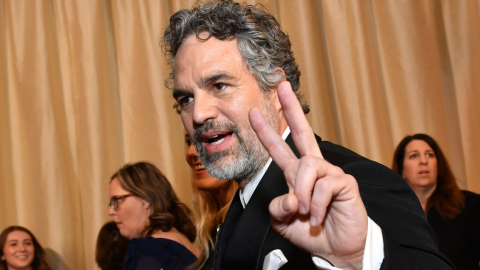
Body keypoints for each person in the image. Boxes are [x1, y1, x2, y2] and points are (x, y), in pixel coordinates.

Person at [161, 1, 454, 269]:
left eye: (219, 85)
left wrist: (362, 256)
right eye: (186, 99)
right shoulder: (238, 208)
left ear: (275, 89)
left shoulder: (352, 184)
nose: (198, 114)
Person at [392, 133, 480, 270]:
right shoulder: (392, 215)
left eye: (429, 155)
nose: (423, 161)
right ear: (402, 170)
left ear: (438, 165)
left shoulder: (470, 205)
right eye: (414, 156)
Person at [109, 162, 200, 270]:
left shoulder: (146, 249)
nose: (110, 211)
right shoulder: (194, 246)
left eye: (116, 201)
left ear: (145, 198)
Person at [185, 133, 237, 269]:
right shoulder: (210, 229)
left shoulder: (253, 224)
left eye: (211, 139)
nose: (191, 151)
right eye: (189, 141)